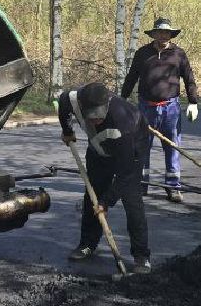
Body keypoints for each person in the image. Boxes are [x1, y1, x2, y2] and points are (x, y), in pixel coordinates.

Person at [58, 81, 152, 273]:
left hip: (131, 152)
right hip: (98, 151)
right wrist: (67, 131)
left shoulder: (123, 121)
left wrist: (106, 202)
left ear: (107, 104)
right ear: (83, 107)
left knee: (132, 201)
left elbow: (125, 174)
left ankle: (141, 256)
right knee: (91, 196)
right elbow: (63, 104)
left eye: (99, 117)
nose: (96, 121)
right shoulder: (72, 99)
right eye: (92, 117)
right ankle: (87, 244)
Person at [121, 17, 199, 203]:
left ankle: (172, 187)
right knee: (141, 148)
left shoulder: (178, 54)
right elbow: (131, 77)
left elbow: (189, 78)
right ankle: (141, 185)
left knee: (172, 147)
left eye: (166, 33)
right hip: (145, 108)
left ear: (171, 35)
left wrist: (193, 102)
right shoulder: (142, 53)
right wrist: (121, 100)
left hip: (170, 108)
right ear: (154, 34)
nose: (163, 36)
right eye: (159, 32)